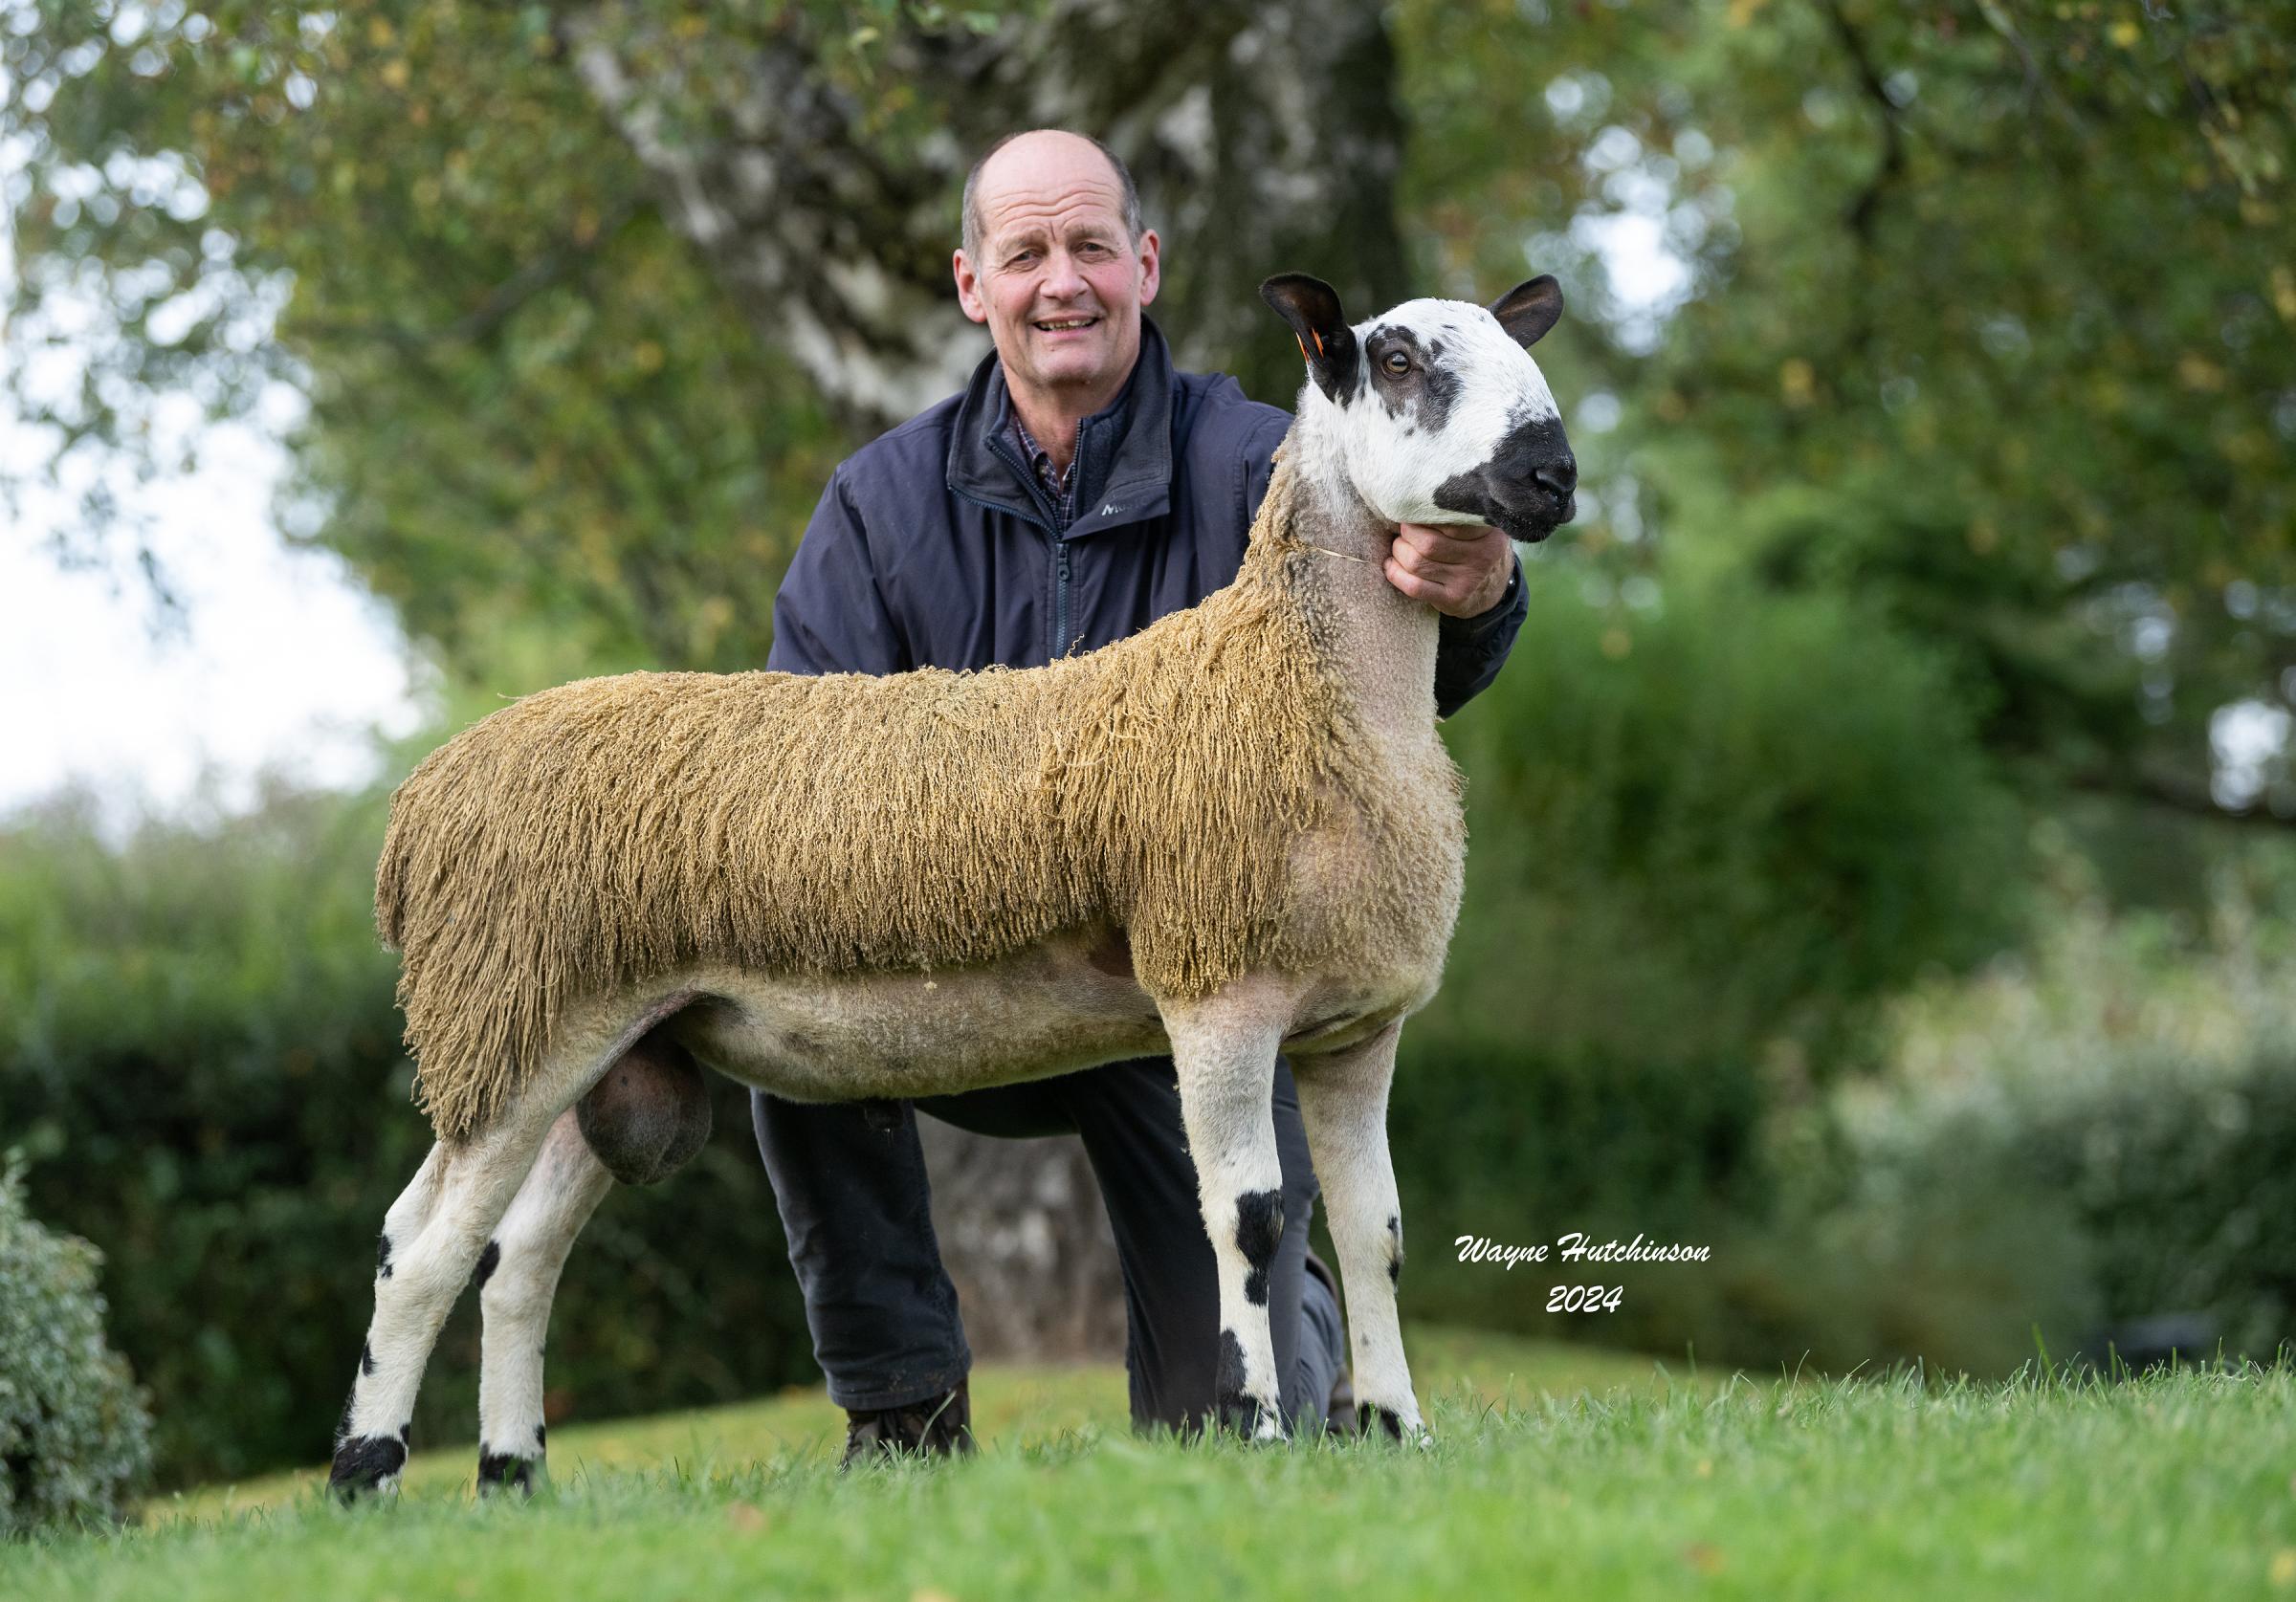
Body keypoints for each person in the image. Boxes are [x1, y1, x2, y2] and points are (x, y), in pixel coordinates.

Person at [754, 128, 1529, 1461]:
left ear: (1146, 266)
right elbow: (797, 773)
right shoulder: (877, 505)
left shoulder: (1264, 463)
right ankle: (900, 1409)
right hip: (952, 976)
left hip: (1172, 991)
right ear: (970, 284)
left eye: (1092, 246)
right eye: (1027, 253)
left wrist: (1483, 587)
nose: (1064, 281)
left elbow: (1420, 670)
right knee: (785, 1026)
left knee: (1230, 1429)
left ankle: (1297, 1350)